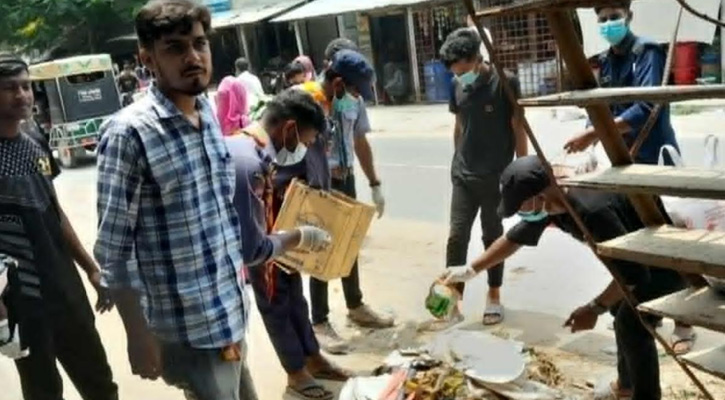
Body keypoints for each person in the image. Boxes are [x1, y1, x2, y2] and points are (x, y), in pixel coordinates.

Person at [94, 2, 252, 399]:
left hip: (230, 314)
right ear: (147, 58)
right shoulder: (128, 134)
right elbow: (113, 251)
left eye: (199, 44)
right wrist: (137, 333)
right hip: (187, 333)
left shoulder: (207, 113)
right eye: (175, 48)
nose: (193, 57)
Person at [441, 155, 686, 400]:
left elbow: (632, 275)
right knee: (620, 309)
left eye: (521, 207)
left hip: (669, 261)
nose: (520, 214)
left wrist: (593, 308)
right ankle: (626, 386)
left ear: (540, 196)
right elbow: (513, 239)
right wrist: (470, 269)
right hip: (641, 259)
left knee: (631, 322)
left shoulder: (591, 210)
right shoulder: (555, 203)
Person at [564, 1, 694, 354]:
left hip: (654, 160)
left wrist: (595, 134)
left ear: (628, 16)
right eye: (603, 19)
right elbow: (601, 107)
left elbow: (646, 106)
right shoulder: (605, 62)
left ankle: (686, 319)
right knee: (641, 237)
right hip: (623, 162)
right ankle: (653, 313)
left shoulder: (646, 52)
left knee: (669, 239)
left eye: (614, 17)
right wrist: (592, 137)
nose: (609, 24)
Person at [0, 54, 118, 400]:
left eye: (26, 87)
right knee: (43, 388)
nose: (22, 95)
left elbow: (54, 211)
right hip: (20, 293)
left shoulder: (35, 138)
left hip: (64, 284)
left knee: (98, 378)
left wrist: (91, 270)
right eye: (9, 88)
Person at [227, 88, 347, 400]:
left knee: (295, 296)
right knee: (275, 302)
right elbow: (252, 250)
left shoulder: (256, 153)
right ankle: (295, 372)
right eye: (306, 142)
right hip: (260, 244)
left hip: (274, 234)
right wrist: (300, 237)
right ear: (289, 129)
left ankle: (312, 358)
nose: (305, 149)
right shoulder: (246, 163)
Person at [439, 27, 528, 326]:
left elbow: (518, 127)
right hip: (464, 177)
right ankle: (453, 298)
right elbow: (460, 125)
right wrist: (456, 161)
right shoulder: (457, 86)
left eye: (464, 70)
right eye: (455, 72)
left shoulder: (506, 82)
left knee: (492, 237)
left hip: (496, 178)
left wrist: (520, 171)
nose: (460, 76)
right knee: (456, 236)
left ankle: (494, 296)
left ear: (479, 59)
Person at [311, 47, 391, 354]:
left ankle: (355, 305)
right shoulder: (311, 99)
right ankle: (319, 321)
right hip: (320, 181)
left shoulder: (354, 101)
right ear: (337, 81)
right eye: (355, 88)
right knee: (321, 249)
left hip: (346, 178)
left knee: (349, 243)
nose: (358, 95)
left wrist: (375, 183)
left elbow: (359, 141)